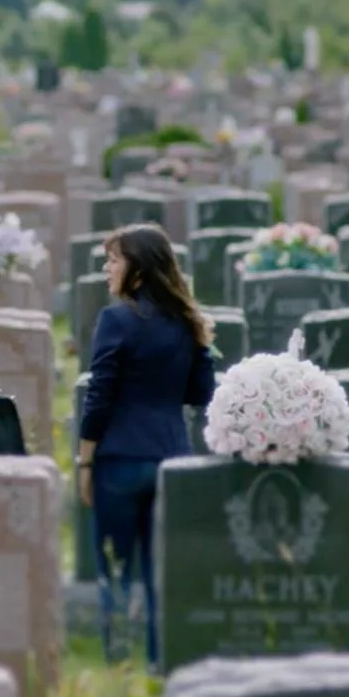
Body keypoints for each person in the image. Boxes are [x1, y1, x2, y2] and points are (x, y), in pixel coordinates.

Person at [77, 223, 217, 667]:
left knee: (115, 570)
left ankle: (118, 659)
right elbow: (200, 391)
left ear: (138, 269)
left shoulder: (116, 319)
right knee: (162, 573)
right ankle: (162, 660)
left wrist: (84, 460)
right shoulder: (187, 320)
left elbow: (100, 394)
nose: (106, 269)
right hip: (171, 456)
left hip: (118, 459)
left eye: (114, 260)